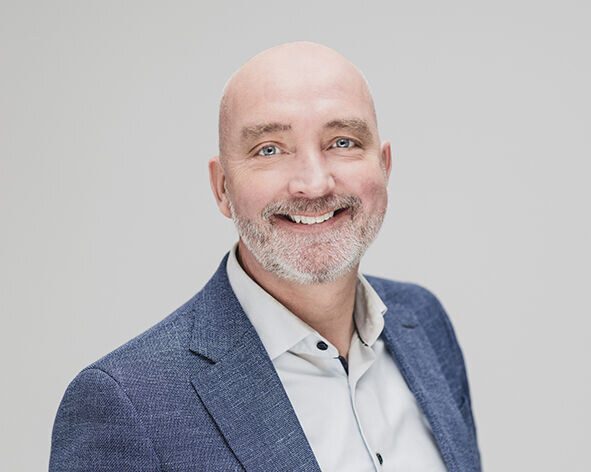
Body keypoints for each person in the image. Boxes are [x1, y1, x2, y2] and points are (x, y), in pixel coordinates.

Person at [50, 42, 481, 472]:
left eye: (342, 142)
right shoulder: (127, 404)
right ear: (222, 187)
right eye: (269, 149)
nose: (313, 184)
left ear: (384, 166)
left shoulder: (423, 324)